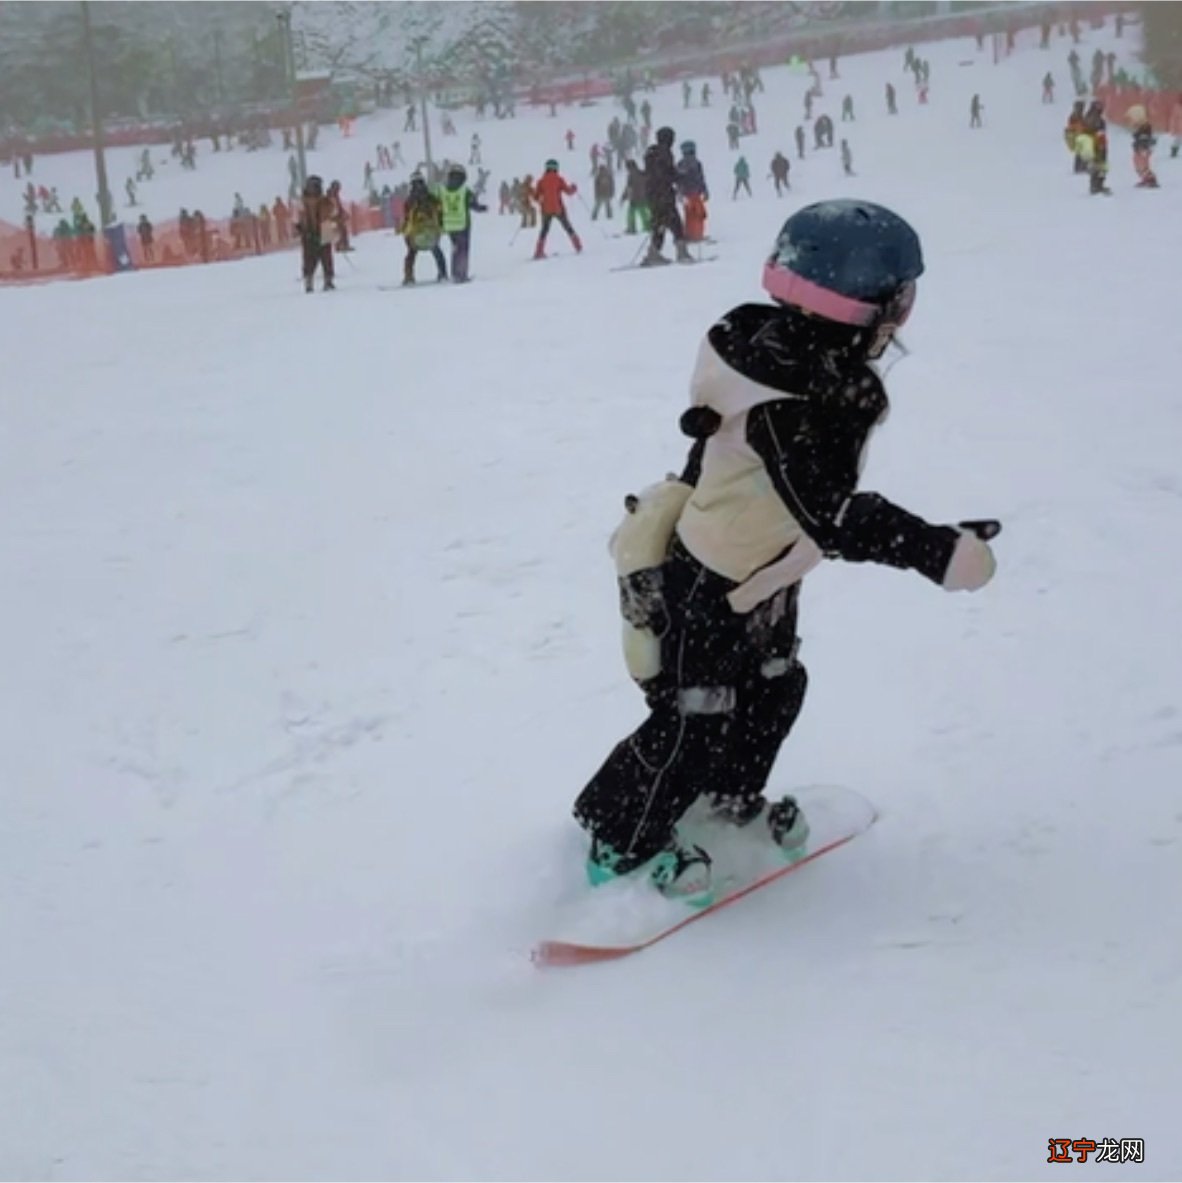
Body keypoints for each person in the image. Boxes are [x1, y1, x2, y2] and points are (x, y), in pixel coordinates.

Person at [571, 200, 998, 904]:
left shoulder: (790, 356)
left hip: (765, 571)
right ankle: (617, 837)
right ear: (869, 305)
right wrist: (936, 551)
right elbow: (831, 514)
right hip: (710, 581)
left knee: (773, 688)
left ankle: (727, 799)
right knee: (695, 716)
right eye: (902, 298)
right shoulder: (793, 395)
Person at [643, 126, 692, 265]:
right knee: (675, 223)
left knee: (659, 224)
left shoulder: (650, 154)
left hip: (652, 194)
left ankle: (653, 253)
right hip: (664, 194)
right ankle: (681, 253)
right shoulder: (665, 153)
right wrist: (681, 176)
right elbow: (667, 174)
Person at [437, 164, 486, 283]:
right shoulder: (464, 191)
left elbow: (438, 206)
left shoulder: (443, 191)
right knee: (463, 250)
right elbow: (473, 204)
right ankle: (461, 274)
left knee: (455, 248)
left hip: (449, 225)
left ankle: (454, 273)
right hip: (462, 224)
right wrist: (482, 208)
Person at [400, 172, 447, 284]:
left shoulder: (409, 201)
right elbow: (440, 211)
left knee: (411, 254)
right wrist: (440, 225)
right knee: (437, 251)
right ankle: (443, 274)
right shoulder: (431, 197)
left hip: (415, 231)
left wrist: (405, 231)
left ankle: (409, 277)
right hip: (430, 230)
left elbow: (407, 217)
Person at [532, 159, 582, 260]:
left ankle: (539, 251)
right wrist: (574, 188)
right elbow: (568, 191)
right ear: (556, 168)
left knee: (544, 230)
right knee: (567, 227)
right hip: (558, 208)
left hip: (546, 209)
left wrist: (540, 198)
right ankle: (578, 246)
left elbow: (536, 197)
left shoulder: (541, 181)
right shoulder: (559, 179)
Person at [295, 174, 336, 292]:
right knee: (312, 258)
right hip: (312, 230)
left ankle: (326, 280)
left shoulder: (323, 201)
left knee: (324, 257)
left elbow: (331, 212)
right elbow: (299, 216)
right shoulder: (305, 201)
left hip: (323, 229)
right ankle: (311, 281)